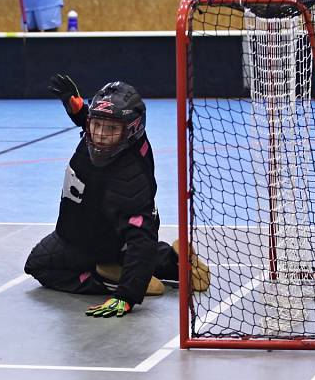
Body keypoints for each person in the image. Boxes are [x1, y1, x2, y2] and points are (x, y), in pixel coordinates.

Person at [24, 75, 210, 317]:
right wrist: (81, 112)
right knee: (124, 250)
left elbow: (141, 237)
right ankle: (176, 263)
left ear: (131, 130)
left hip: (93, 241)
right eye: (96, 124)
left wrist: (126, 295)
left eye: (110, 129)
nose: (100, 134)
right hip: (93, 229)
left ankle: (108, 277)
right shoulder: (117, 140)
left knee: (38, 265)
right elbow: (102, 123)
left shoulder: (129, 176)